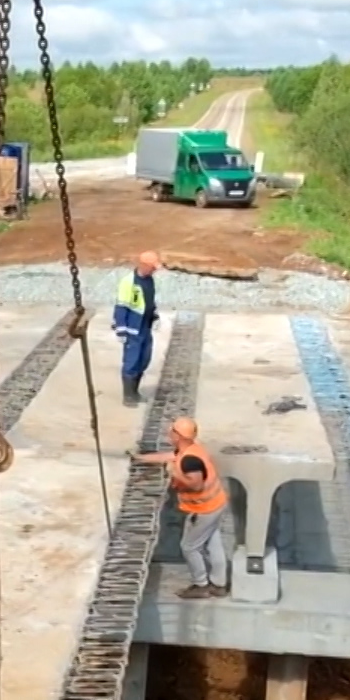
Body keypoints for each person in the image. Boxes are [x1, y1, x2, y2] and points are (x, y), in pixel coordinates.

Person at [132, 416, 229, 599]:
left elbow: (196, 485)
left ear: (179, 436)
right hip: (216, 504)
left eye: (172, 431)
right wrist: (141, 458)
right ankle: (219, 584)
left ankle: (201, 585)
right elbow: (170, 456)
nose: (169, 432)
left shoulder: (189, 461)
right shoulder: (191, 449)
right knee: (213, 543)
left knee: (189, 546)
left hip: (203, 509)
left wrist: (173, 473)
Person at [113, 251, 162, 406]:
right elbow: (121, 307)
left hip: (144, 327)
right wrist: (121, 329)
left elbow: (148, 301)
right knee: (132, 362)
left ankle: (135, 391)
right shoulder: (129, 283)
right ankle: (128, 395)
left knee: (144, 359)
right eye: (152, 267)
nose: (154, 270)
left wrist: (154, 315)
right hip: (133, 330)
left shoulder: (149, 281)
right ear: (144, 265)